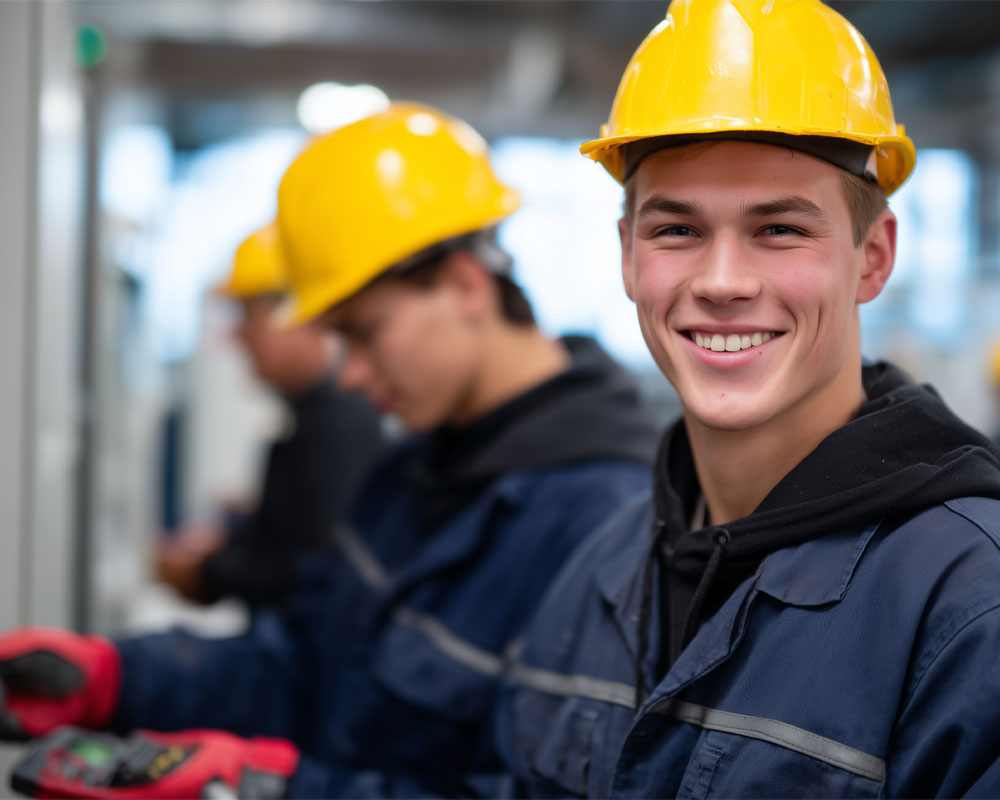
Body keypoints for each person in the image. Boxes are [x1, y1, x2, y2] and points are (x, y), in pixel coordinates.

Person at [0, 103, 659, 798]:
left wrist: (276, 789)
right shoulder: (414, 468)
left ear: (466, 284)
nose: (349, 374)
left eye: (364, 332)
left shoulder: (606, 521)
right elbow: (303, 667)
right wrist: (116, 678)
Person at [496, 1, 1000, 797]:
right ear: (627, 257)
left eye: (779, 231)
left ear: (873, 259)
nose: (723, 282)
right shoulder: (598, 572)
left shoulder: (971, 605)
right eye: (677, 231)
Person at [155, 223, 385, 607]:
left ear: (302, 315)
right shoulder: (318, 420)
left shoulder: (339, 427)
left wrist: (207, 571)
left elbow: (308, 581)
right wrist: (241, 534)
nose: (237, 337)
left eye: (247, 316)